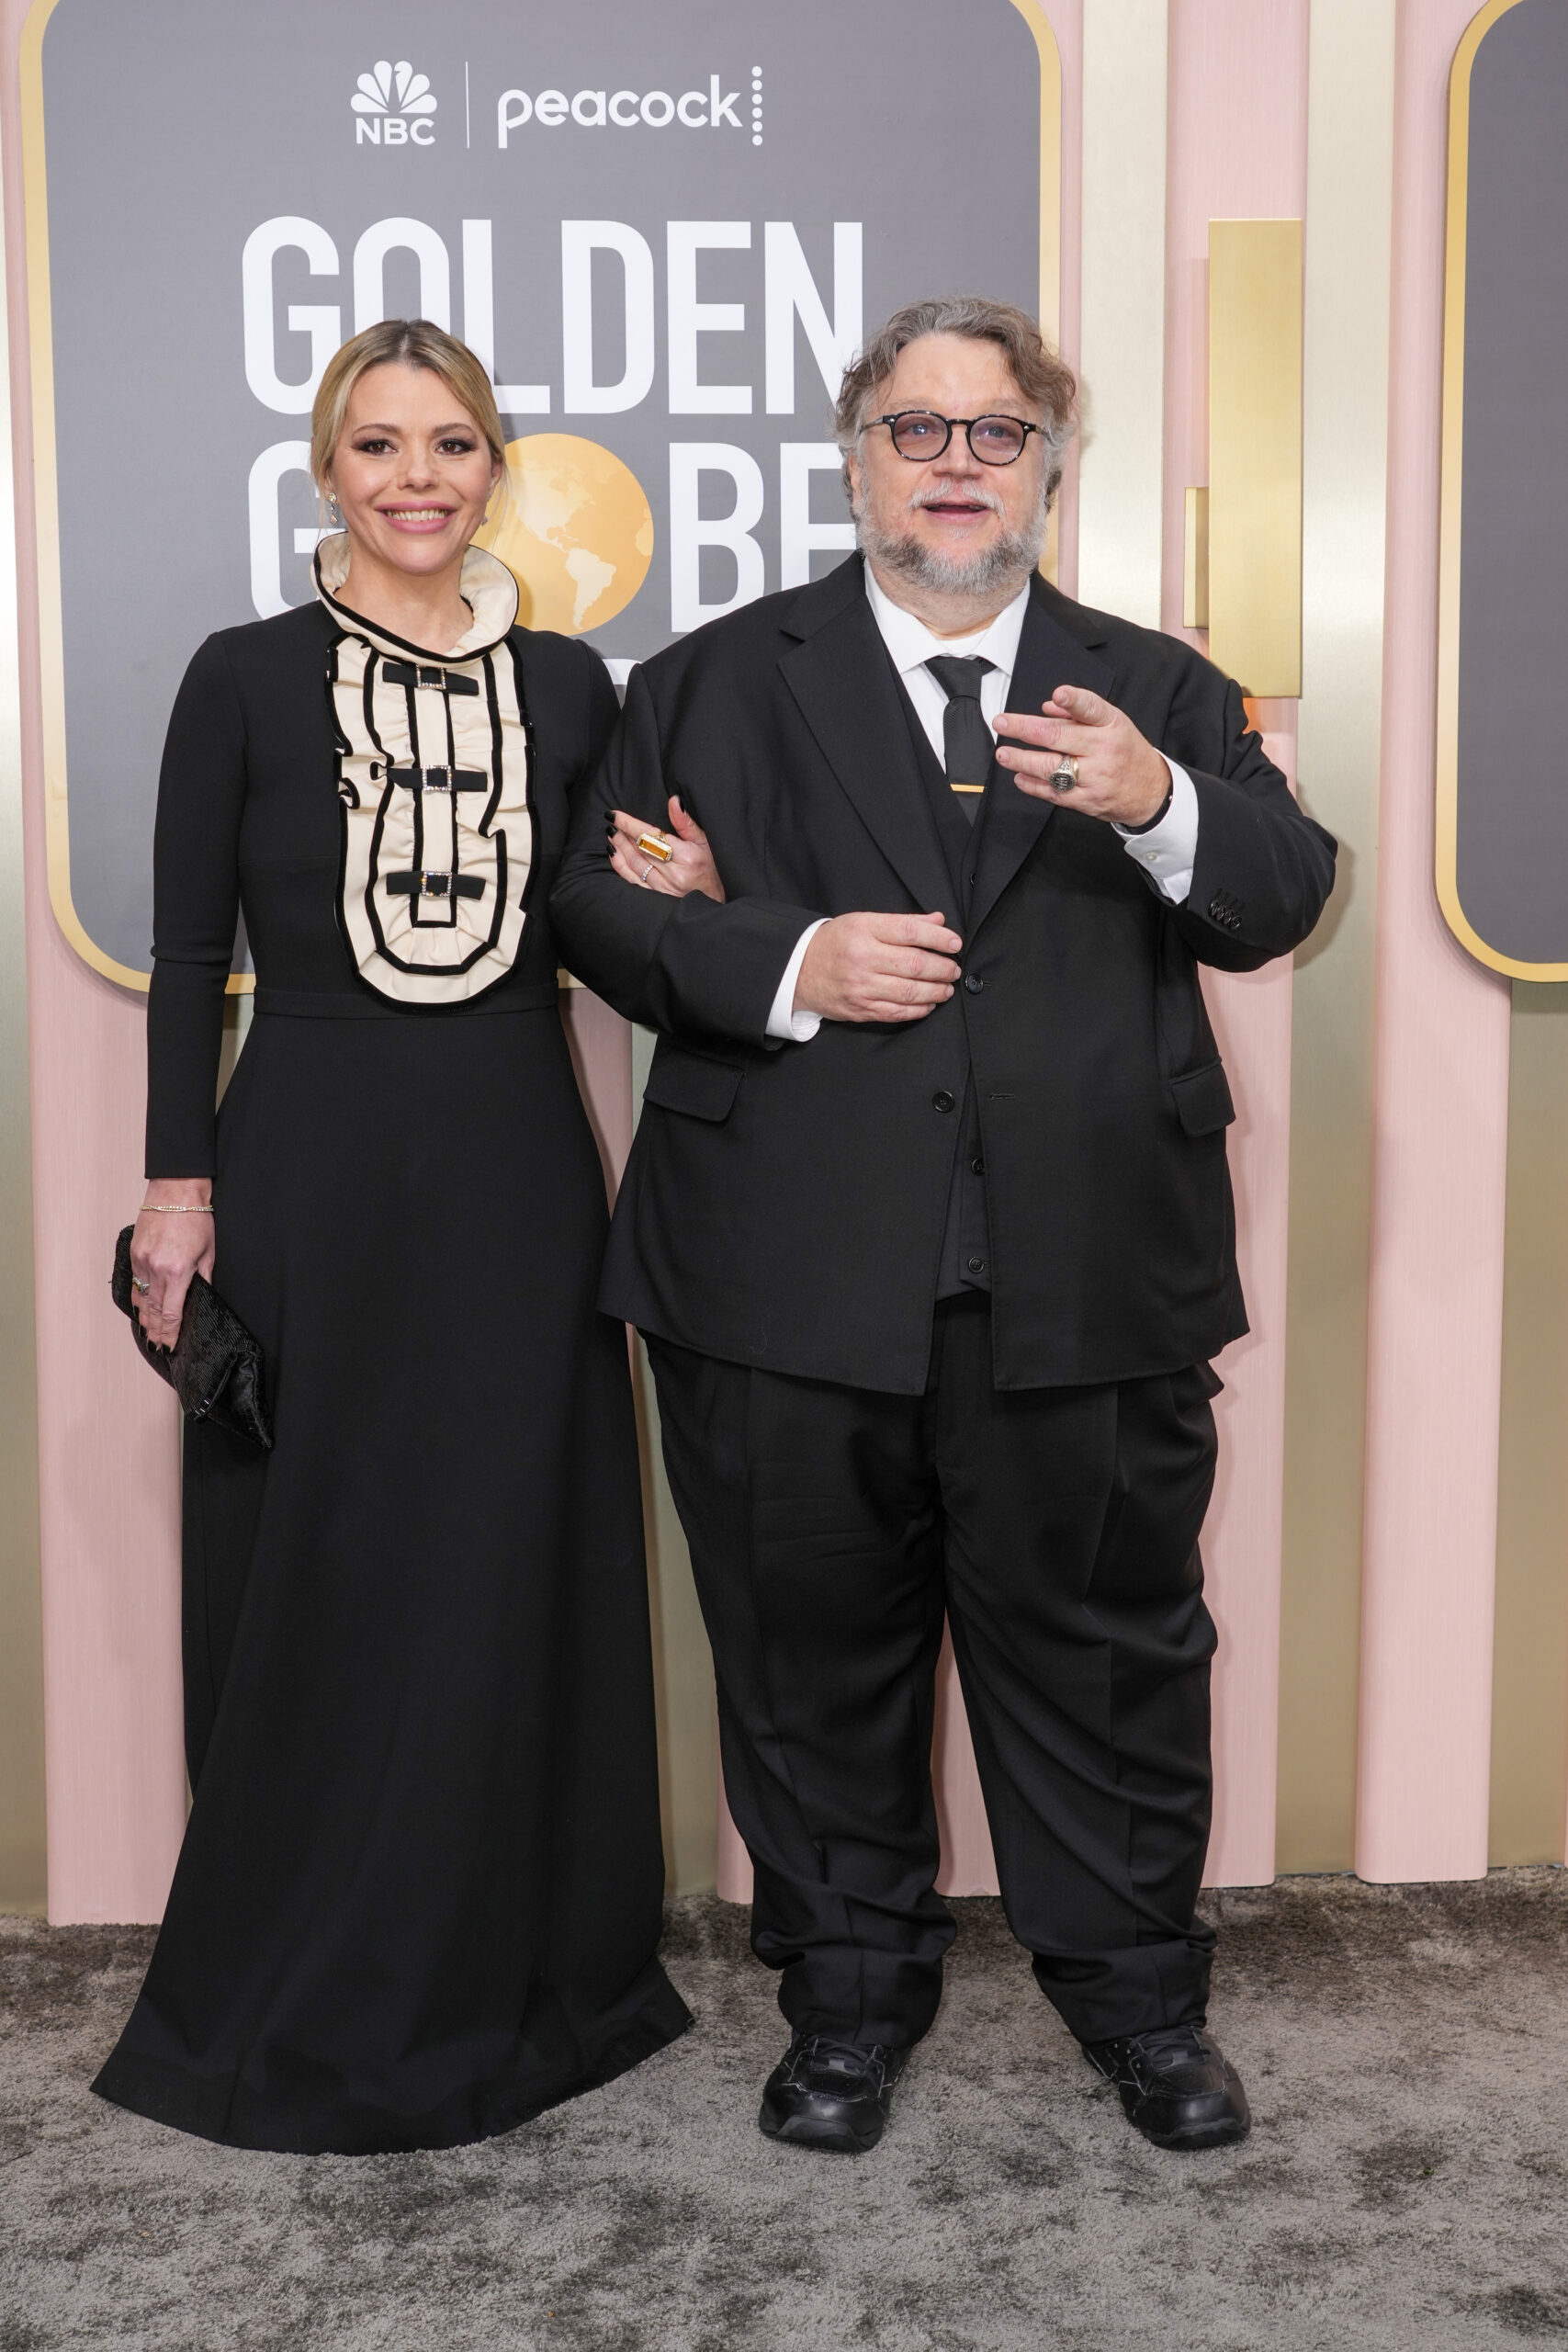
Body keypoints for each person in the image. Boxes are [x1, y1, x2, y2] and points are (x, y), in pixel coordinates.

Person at [554, 297, 1336, 2157]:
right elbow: (592, 906)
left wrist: (1161, 805)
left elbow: (1281, 890)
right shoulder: (712, 680)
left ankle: (1139, 2003)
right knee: (807, 1659)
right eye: (920, 430)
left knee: (1107, 1656)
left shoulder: (1152, 683)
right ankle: (842, 1996)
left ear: (1048, 466)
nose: (958, 463)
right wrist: (791, 954)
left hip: (1083, 1273)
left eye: (996, 433)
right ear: (856, 460)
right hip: (776, 1265)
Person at [94, 319, 689, 2155]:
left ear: (492, 465)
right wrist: (173, 1190)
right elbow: (195, 955)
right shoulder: (244, 675)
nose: (415, 475)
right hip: (309, 1154)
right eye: (377, 445)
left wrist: (692, 899)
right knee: (324, 1550)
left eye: (448, 443)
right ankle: (305, 1964)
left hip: (514, 1151)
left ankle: (530, 1966)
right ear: (324, 471)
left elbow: (587, 930)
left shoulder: (574, 684)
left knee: (507, 1539)